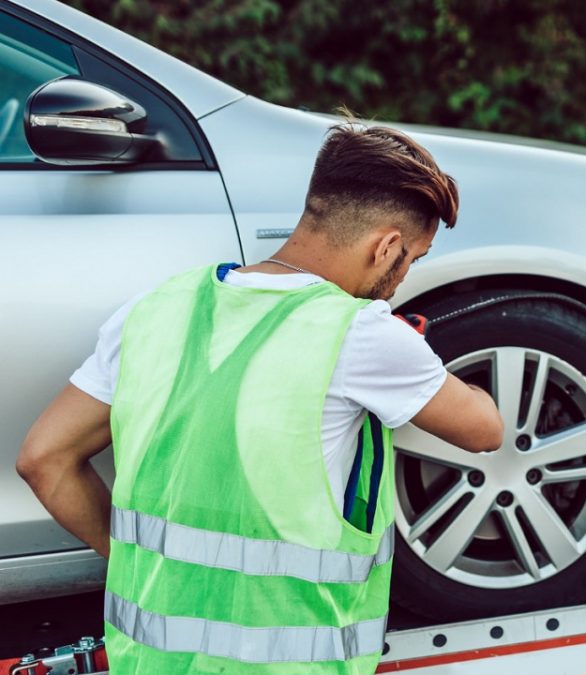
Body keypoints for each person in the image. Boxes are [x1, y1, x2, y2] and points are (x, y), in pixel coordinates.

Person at [16, 121, 505, 674]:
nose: (402, 279)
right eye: (412, 258)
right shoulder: (360, 334)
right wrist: (448, 375)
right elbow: (484, 431)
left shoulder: (154, 311)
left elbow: (44, 460)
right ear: (387, 245)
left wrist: (142, 563)